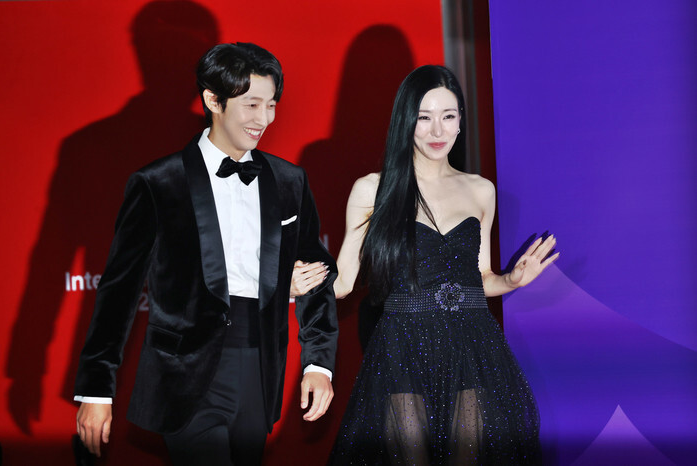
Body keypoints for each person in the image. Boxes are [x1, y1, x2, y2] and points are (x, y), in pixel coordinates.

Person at [73, 42, 338, 466]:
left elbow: (317, 272)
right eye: (251, 105)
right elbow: (119, 292)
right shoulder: (158, 183)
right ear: (213, 100)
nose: (264, 119)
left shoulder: (289, 181)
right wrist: (96, 389)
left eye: (271, 105)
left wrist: (318, 365)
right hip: (186, 374)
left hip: (260, 370)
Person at [325, 65, 558, 464]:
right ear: (406, 120)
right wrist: (292, 286)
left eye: (448, 116)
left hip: (471, 344)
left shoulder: (481, 190)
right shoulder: (373, 189)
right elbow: (344, 280)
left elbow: (481, 277)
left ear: (460, 121)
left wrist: (511, 280)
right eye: (424, 117)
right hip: (403, 344)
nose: (438, 130)